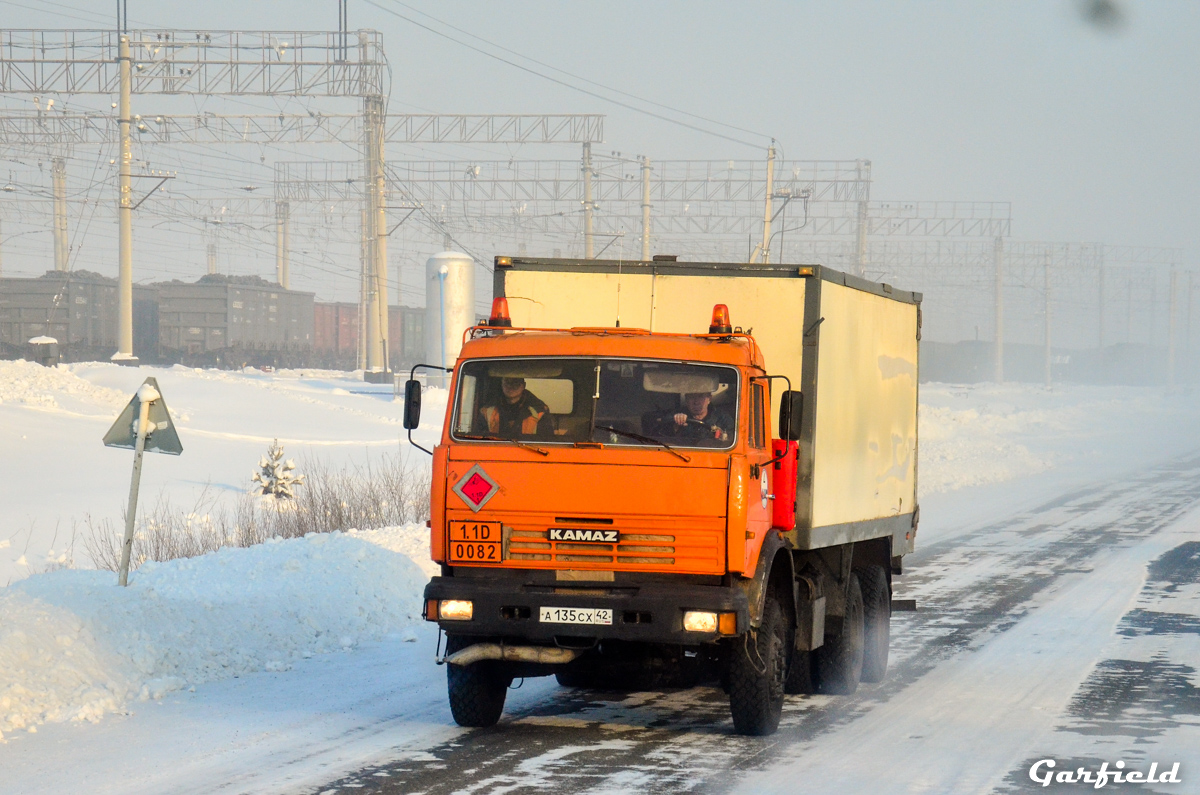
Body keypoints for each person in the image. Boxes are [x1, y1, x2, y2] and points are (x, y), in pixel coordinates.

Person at [646, 390, 734, 446]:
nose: (696, 402)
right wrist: (675, 426)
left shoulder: (722, 418)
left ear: (709, 399)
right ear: (686, 399)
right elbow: (658, 437)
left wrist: (722, 436)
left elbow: (732, 441)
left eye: (700, 396)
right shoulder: (674, 415)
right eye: (692, 397)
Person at [479, 377, 553, 438]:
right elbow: (478, 441)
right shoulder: (487, 410)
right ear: (501, 384)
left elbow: (547, 443)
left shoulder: (540, 411)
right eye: (507, 382)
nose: (510, 386)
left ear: (524, 385)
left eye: (516, 382)